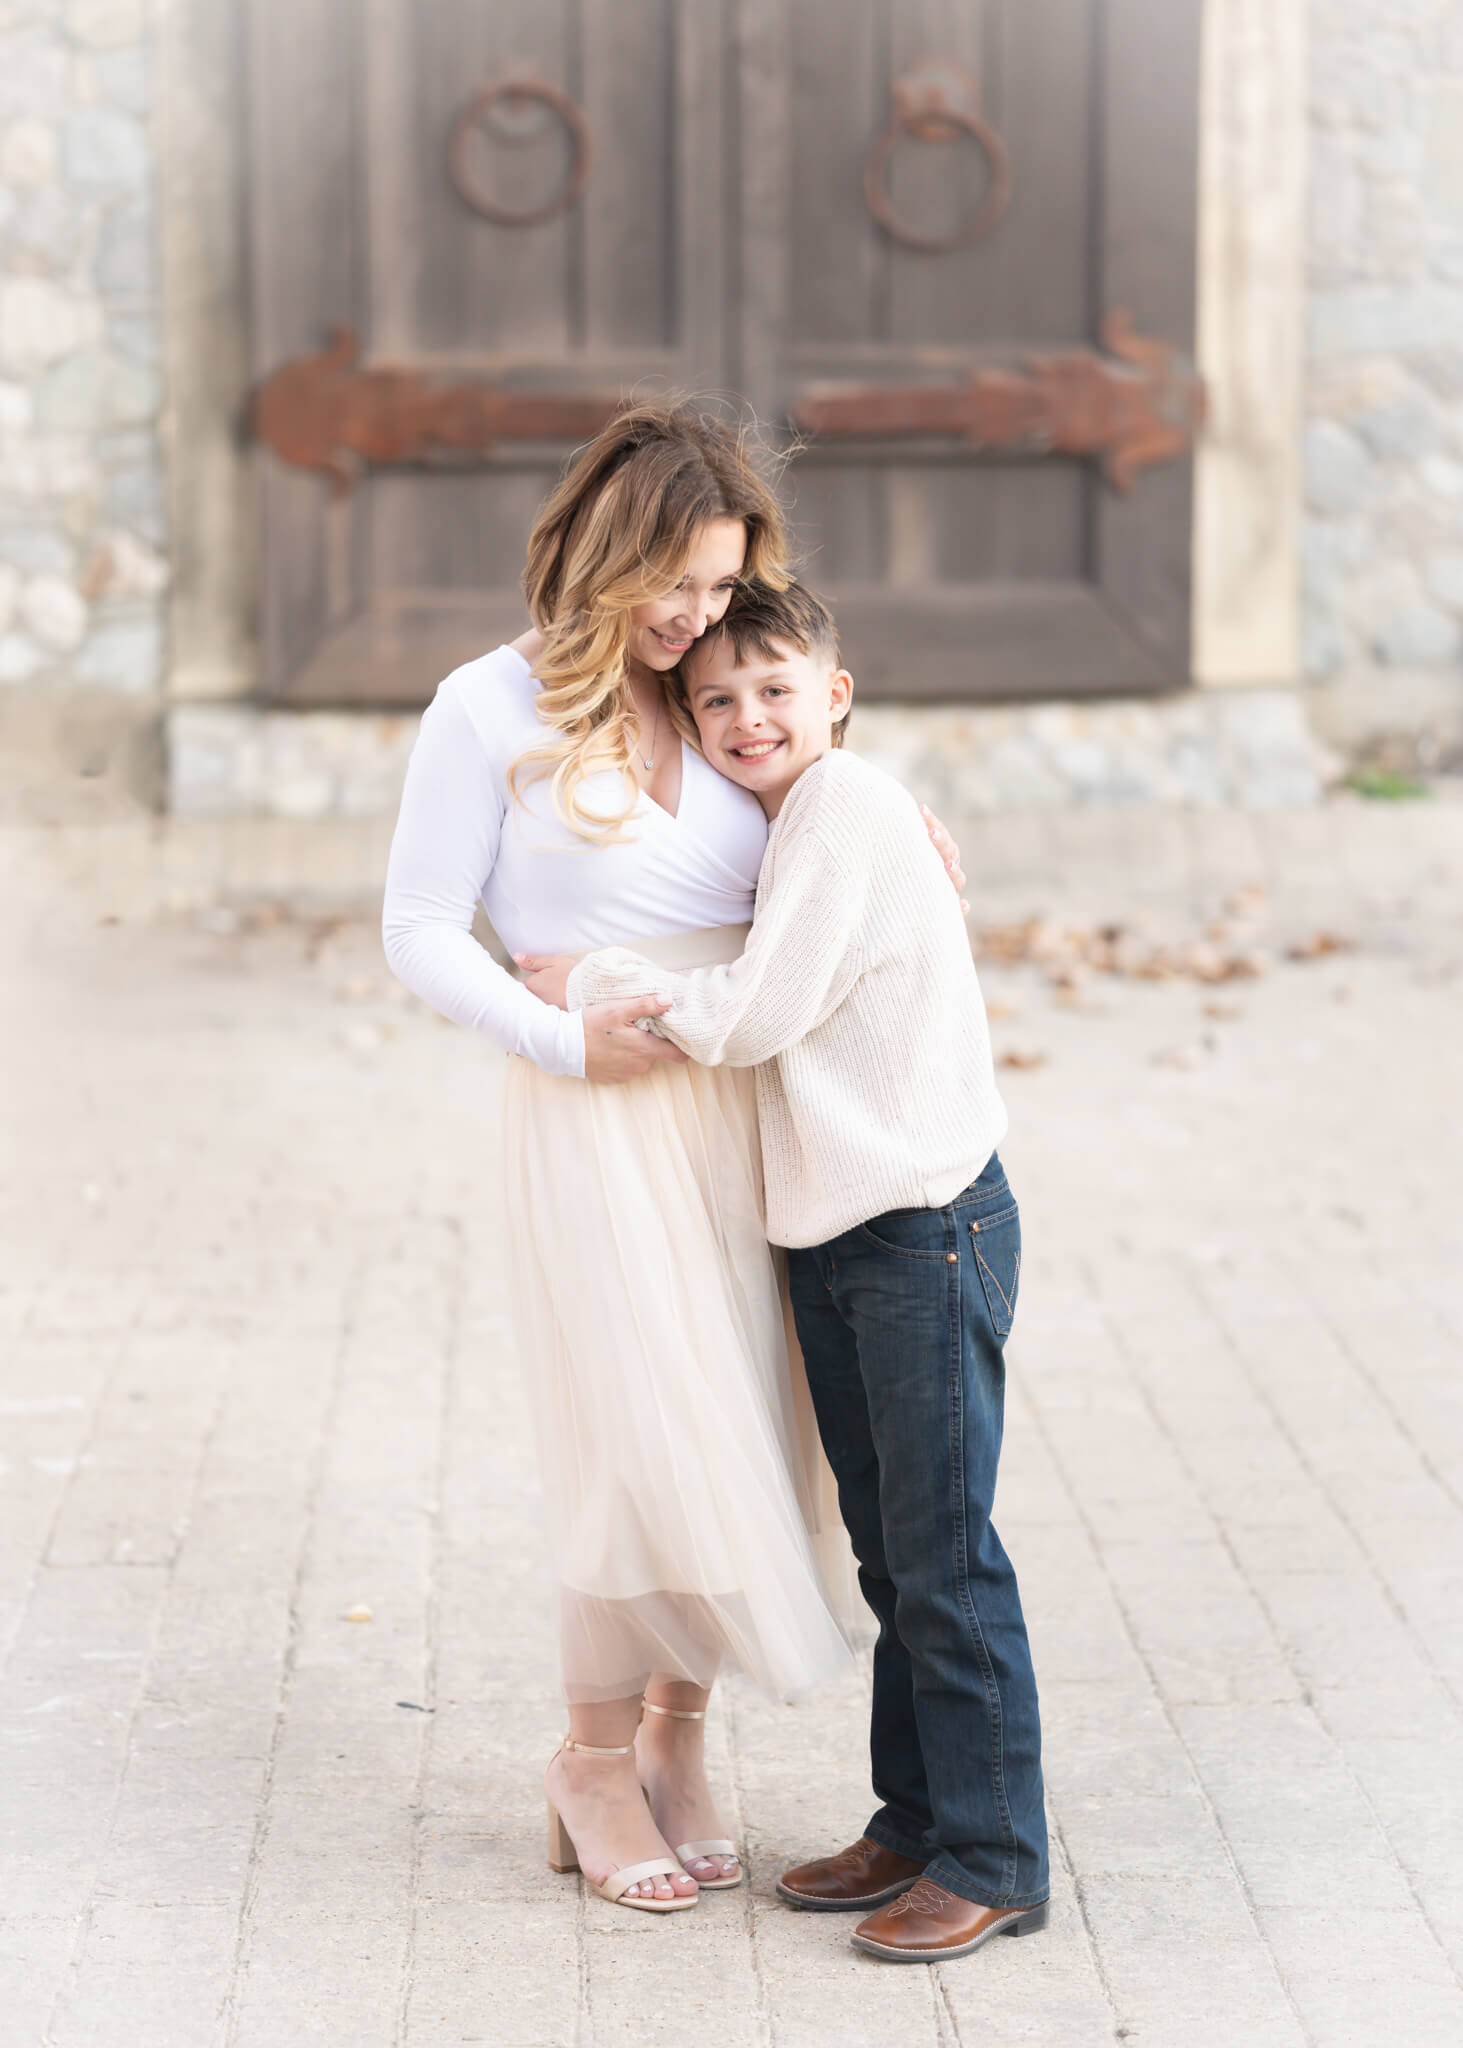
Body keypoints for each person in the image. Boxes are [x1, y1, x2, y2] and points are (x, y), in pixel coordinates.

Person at [381, 406, 965, 1915]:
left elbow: (805, 778)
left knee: (745, 1430)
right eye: (673, 581)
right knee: (635, 1437)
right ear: (599, 544)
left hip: (748, 1100)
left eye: (718, 587)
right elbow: (421, 930)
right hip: (595, 1112)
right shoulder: (482, 708)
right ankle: (587, 1759)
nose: (693, 619)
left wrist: (895, 814)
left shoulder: (710, 686)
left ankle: (676, 1737)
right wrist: (561, 1033)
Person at [518, 580, 1049, 1961]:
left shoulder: (849, 810)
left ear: (838, 693)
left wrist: (600, 983)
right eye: (716, 700)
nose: (748, 716)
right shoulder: (798, 819)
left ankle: (995, 1854)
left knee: (942, 1555)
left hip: (923, 1223)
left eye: (775, 689)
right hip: (842, 1228)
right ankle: (917, 1821)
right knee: (888, 1550)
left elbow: (755, 1012)